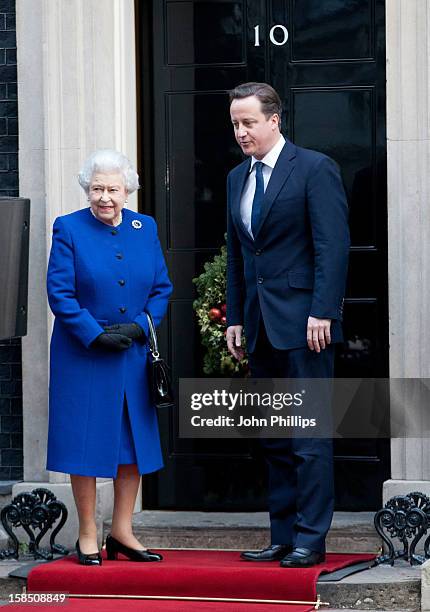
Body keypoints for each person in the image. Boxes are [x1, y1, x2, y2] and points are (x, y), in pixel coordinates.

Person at [226, 83, 350, 568]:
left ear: (274, 120)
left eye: (249, 122)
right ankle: (281, 535)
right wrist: (236, 317)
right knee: (276, 436)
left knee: (309, 437)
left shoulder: (315, 168)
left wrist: (323, 310)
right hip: (259, 327)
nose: (241, 132)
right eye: (235, 123)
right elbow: (238, 256)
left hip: (306, 326)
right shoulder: (238, 177)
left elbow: (333, 246)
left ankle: (310, 538)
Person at [46, 149, 172, 565]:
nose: (105, 198)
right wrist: (93, 334)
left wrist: (142, 326)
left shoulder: (144, 226)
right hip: (83, 356)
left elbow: (161, 288)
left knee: (131, 443)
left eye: (113, 189)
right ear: (87, 189)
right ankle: (87, 532)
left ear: (127, 190)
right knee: (84, 442)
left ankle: (121, 531)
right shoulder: (68, 228)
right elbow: (59, 293)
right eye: (97, 188)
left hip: (132, 354)